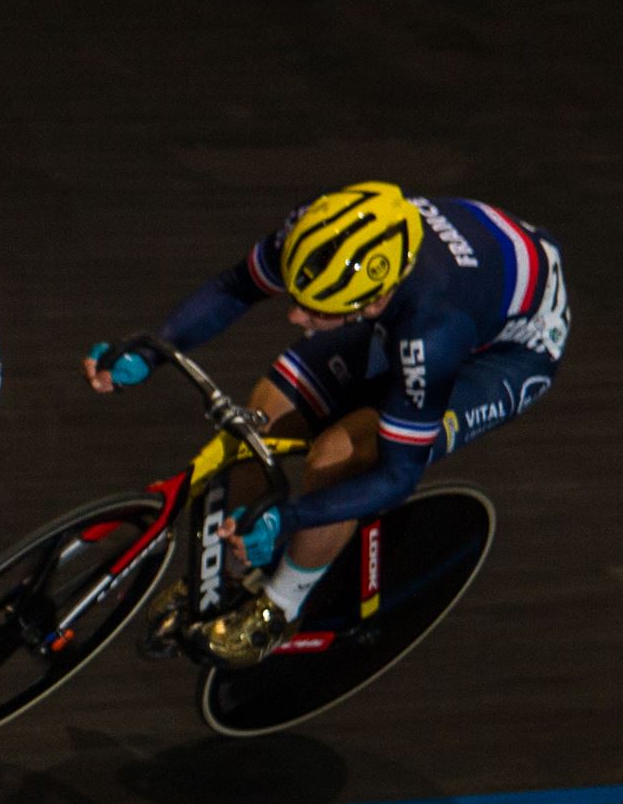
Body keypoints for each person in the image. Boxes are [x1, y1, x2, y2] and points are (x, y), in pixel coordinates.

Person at [87, 181, 568, 665]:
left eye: (315, 308)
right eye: (297, 295)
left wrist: (288, 518)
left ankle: (279, 608)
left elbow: (397, 476)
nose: (296, 315)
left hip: (508, 352)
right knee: (263, 413)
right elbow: (237, 285)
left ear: (372, 304)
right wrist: (152, 351)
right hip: (453, 282)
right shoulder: (318, 231)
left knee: (342, 453)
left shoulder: (432, 332)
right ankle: (229, 577)